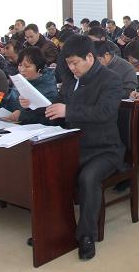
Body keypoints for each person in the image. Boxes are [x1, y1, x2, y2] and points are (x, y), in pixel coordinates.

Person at [44, 35, 123, 260]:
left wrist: (68, 111)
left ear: (89, 57)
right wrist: (38, 105)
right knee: (47, 170)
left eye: (75, 63)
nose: (71, 68)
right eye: (68, 63)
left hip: (104, 148)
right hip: (74, 145)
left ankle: (87, 235)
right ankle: (53, 228)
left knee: (88, 178)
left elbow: (105, 112)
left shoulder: (111, 79)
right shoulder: (71, 80)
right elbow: (59, 105)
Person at [4, 46, 58, 124]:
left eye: (27, 66)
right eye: (20, 65)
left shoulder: (48, 86)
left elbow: (48, 116)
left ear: (39, 68)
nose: (22, 70)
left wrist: (21, 115)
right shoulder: (20, 80)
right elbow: (10, 103)